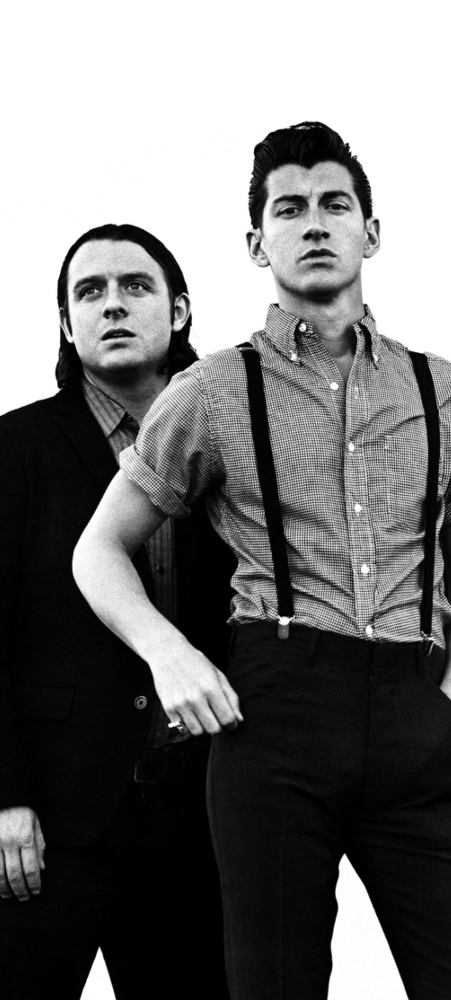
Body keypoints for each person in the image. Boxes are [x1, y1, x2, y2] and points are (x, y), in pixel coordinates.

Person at [73, 122, 451, 1000]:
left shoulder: (447, 390)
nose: (314, 223)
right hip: (275, 717)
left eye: (334, 205)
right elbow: (98, 550)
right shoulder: (212, 389)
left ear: (370, 233)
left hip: (411, 714)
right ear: (256, 243)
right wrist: (170, 656)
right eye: (289, 208)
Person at [0, 224, 232, 998]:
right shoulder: (16, 447)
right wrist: (5, 797)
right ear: (68, 325)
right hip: (52, 819)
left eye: (135, 286)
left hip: (198, 818)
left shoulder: (230, 446)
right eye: (89, 292)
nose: (112, 305)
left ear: (180, 309)